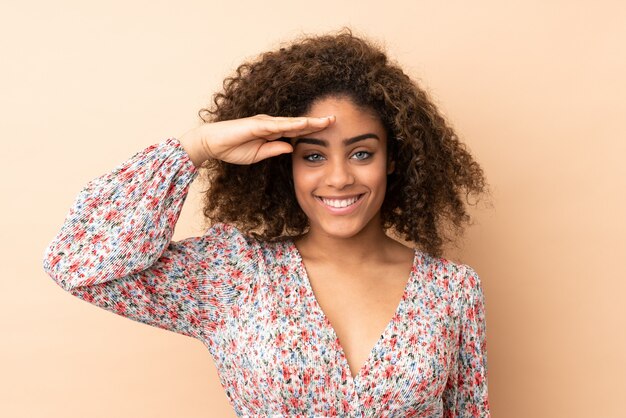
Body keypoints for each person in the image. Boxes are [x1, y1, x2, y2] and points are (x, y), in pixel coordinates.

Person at [43, 30, 490, 417]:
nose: (338, 177)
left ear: (392, 159)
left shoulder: (450, 292)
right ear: (286, 166)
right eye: (312, 156)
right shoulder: (235, 274)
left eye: (361, 152)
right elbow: (76, 263)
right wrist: (197, 147)